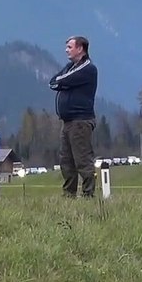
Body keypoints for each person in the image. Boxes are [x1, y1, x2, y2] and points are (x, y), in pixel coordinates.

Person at [50, 35, 98, 197]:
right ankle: (69, 193)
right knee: (66, 161)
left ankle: (88, 193)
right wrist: (63, 82)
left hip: (81, 121)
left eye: (70, 47)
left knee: (82, 159)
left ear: (80, 49)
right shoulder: (70, 67)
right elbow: (53, 81)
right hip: (67, 121)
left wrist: (63, 83)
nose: (66, 50)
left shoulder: (88, 68)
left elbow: (61, 80)